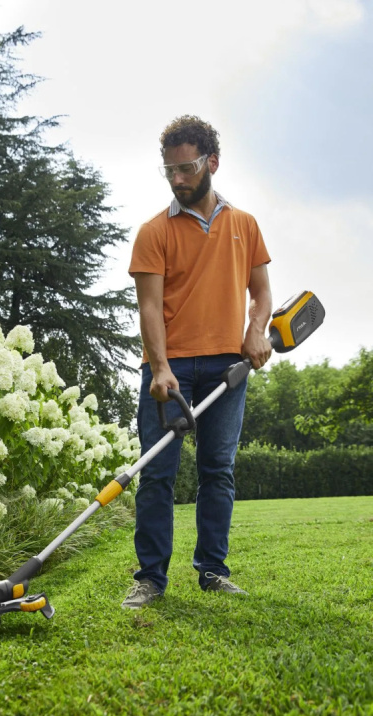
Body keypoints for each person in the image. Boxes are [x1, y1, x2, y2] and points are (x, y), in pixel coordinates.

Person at [122, 115, 272, 609]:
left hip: (228, 366)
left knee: (218, 470)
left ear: (212, 162)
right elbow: (148, 307)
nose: (177, 179)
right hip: (171, 369)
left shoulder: (244, 225)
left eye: (186, 168)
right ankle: (150, 578)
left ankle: (212, 570)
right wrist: (160, 365)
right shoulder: (153, 231)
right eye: (169, 171)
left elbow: (262, 293)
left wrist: (254, 331)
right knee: (158, 473)